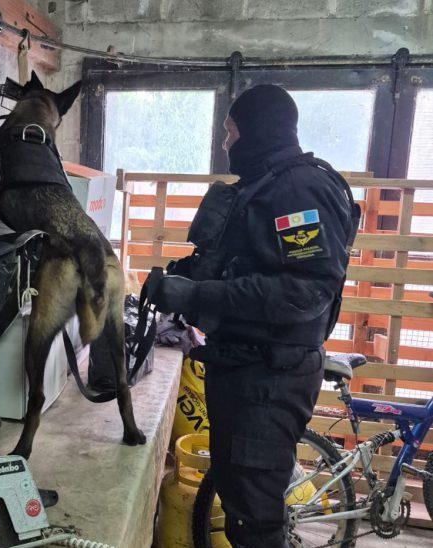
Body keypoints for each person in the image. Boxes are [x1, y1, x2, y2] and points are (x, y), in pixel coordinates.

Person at [153, 85, 358, 548]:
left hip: (269, 377)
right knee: (240, 498)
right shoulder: (263, 186)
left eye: (231, 132)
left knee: (255, 520)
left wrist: (199, 293)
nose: (226, 143)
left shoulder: (299, 188)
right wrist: (181, 279)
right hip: (244, 369)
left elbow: (307, 290)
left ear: (257, 129)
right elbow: (239, 264)